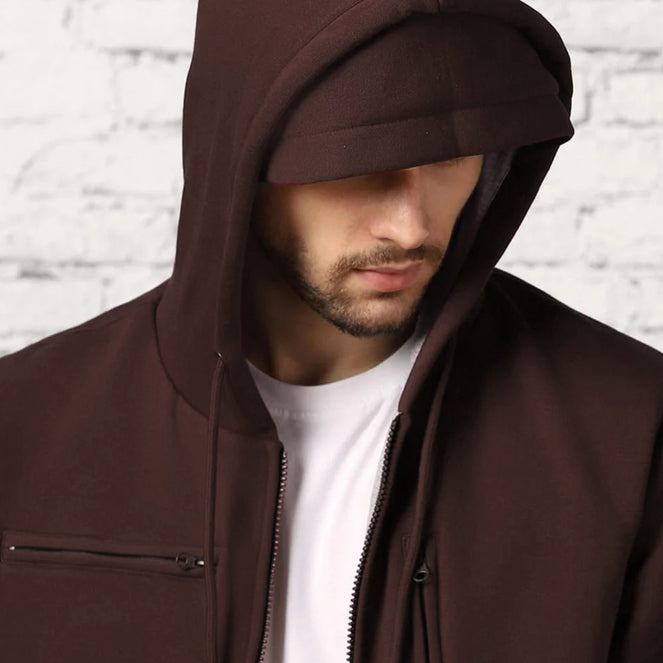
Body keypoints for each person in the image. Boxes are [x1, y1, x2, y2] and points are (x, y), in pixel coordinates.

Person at [0, 1, 661, 663]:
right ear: (241, 157)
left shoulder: (630, 432)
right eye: (362, 160)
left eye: (451, 159)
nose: (411, 227)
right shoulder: (24, 424)